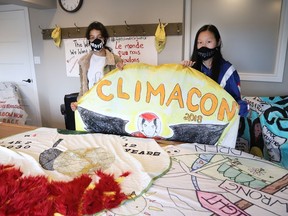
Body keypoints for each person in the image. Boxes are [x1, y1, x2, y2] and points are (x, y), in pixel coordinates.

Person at [181, 24, 248, 117]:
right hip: (193, 120)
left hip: (219, 123)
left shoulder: (228, 71)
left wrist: (242, 107)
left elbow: (236, 101)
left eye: (208, 41)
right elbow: (181, 98)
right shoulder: (191, 68)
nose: (203, 46)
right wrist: (182, 72)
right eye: (199, 42)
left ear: (218, 42)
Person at [71, 21, 124, 111]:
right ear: (89, 40)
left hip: (110, 108)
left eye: (99, 37)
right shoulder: (83, 62)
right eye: (92, 38)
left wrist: (122, 70)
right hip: (90, 108)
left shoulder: (116, 60)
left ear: (104, 38)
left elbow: (122, 86)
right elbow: (83, 88)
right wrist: (78, 103)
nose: (96, 40)